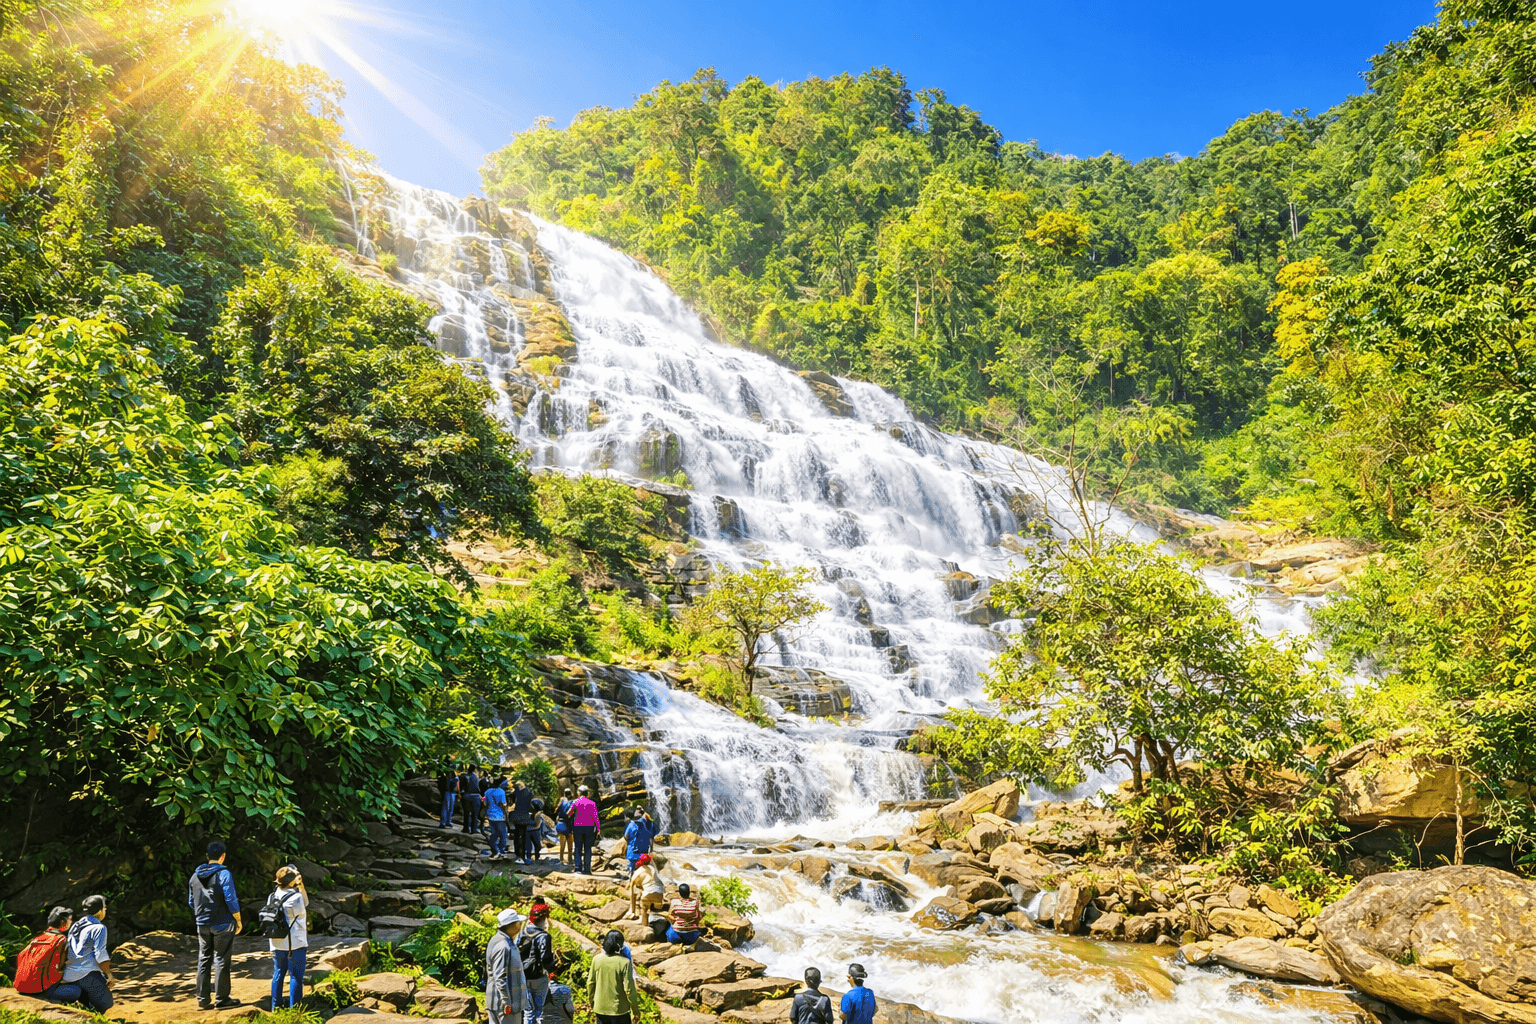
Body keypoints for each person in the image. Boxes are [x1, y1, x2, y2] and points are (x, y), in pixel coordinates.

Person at [188, 839, 243, 1010]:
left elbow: (191, 901)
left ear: (207, 856)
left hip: (202, 923)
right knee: (221, 959)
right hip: (223, 923)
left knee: (203, 959)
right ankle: (222, 999)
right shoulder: (224, 874)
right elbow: (230, 898)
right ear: (223, 856)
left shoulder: (194, 876)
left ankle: (203, 999)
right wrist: (238, 919)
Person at [266, 865, 309, 1010]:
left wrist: (298, 884)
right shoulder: (296, 898)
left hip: (277, 942)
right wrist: (300, 885)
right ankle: (295, 1010)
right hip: (294, 944)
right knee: (296, 977)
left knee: (278, 973)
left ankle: (275, 1007)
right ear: (291, 882)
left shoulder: (272, 896)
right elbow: (305, 905)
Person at [61, 895, 113, 1013]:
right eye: (104, 908)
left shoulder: (75, 926)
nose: (105, 911)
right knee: (107, 1003)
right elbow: (101, 953)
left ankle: (82, 998)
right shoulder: (99, 928)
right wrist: (109, 975)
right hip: (87, 973)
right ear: (99, 911)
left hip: (69, 973)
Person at [17, 906, 78, 1003]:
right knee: (78, 991)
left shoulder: (38, 938)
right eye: (70, 919)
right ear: (63, 922)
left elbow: (20, 956)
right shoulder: (60, 939)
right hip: (45, 989)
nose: (71, 922)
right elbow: (61, 965)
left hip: (22, 986)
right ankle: (54, 999)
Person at [587, 929, 640, 1024]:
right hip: (620, 1010)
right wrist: (635, 1010)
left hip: (600, 1008)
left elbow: (590, 983)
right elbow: (629, 989)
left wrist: (591, 1001)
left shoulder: (596, 959)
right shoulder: (624, 962)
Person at [486, 908, 528, 1024]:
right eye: (518, 922)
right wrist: (506, 1001)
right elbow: (499, 975)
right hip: (506, 1004)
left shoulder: (499, 940)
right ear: (510, 925)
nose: (520, 925)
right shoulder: (503, 946)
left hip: (500, 1001)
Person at [517, 902, 557, 1024]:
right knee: (539, 1011)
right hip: (538, 976)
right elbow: (546, 958)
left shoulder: (522, 931)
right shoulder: (544, 936)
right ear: (544, 918)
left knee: (528, 1011)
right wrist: (552, 970)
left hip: (522, 975)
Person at [624, 853, 665, 922]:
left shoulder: (637, 873)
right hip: (660, 892)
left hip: (648, 893)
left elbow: (632, 893)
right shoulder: (652, 868)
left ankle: (645, 925)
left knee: (644, 910)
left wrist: (632, 910)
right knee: (657, 910)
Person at [570, 785, 601, 875]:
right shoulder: (592, 803)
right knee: (588, 848)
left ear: (579, 792)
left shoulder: (575, 802)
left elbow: (569, 813)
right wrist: (598, 828)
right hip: (589, 827)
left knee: (578, 848)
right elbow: (596, 817)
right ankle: (587, 869)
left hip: (578, 827)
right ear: (587, 793)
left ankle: (578, 868)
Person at [622, 806, 657, 874]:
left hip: (632, 852)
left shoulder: (631, 825)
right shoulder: (647, 824)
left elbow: (626, 837)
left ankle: (630, 880)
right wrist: (651, 847)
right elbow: (651, 837)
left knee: (630, 871)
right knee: (643, 871)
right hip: (643, 853)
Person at [509, 779, 535, 864]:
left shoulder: (517, 793)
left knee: (517, 836)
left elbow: (512, 800)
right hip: (526, 817)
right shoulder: (529, 792)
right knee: (524, 837)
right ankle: (525, 856)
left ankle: (518, 856)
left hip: (518, 817)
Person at [485, 776, 509, 860]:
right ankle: (502, 852)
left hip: (491, 816)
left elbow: (485, 803)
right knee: (503, 835)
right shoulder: (501, 791)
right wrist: (506, 814)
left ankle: (495, 851)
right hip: (500, 816)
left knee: (493, 834)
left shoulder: (487, 792)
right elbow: (504, 805)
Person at [555, 789, 575, 865]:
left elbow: (557, 813)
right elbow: (569, 814)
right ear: (571, 794)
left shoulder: (561, 802)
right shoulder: (572, 802)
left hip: (560, 824)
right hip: (568, 825)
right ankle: (570, 859)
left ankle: (561, 859)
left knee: (562, 845)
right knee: (570, 844)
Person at [462, 767, 484, 835]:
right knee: (475, 814)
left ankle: (465, 828)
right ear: (475, 769)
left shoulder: (465, 776)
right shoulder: (476, 777)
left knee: (466, 813)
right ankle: (474, 829)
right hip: (476, 796)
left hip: (466, 796)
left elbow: (462, 786)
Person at [438, 763, 459, 829]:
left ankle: (447, 822)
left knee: (449, 808)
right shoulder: (448, 775)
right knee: (447, 808)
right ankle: (444, 823)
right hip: (448, 792)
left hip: (451, 792)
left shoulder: (451, 775)